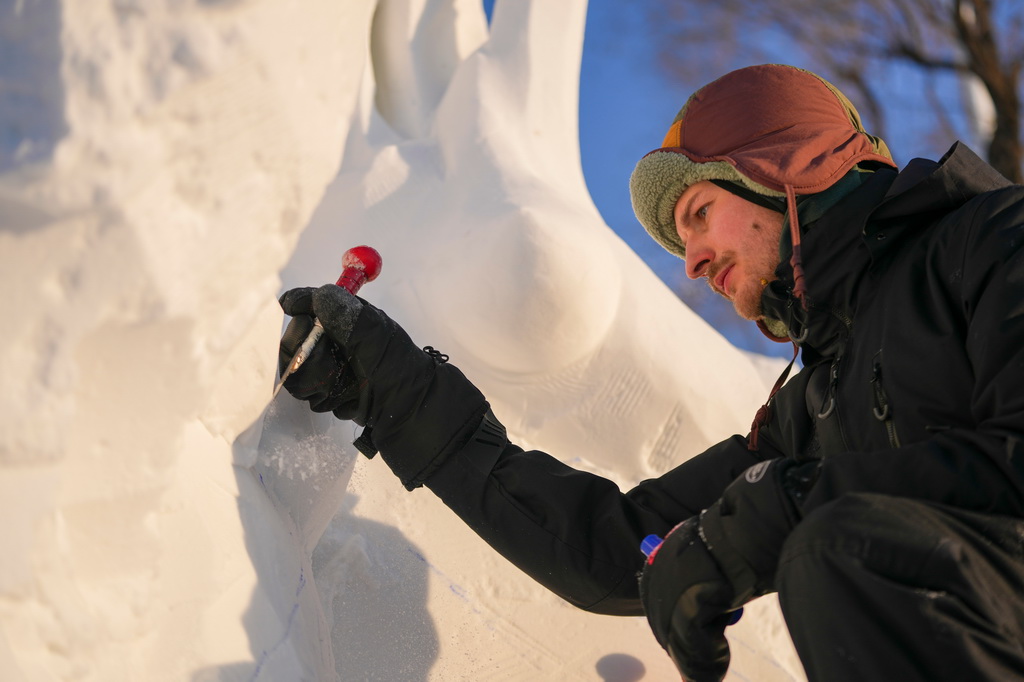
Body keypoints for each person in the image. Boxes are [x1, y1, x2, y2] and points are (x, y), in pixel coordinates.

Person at [277, 64, 1024, 681]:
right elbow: (617, 548)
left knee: (840, 547)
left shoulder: (997, 241)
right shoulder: (817, 411)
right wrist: (400, 394)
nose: (694, 262)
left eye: (699, 213)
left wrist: (788, 509)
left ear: (787, 167)